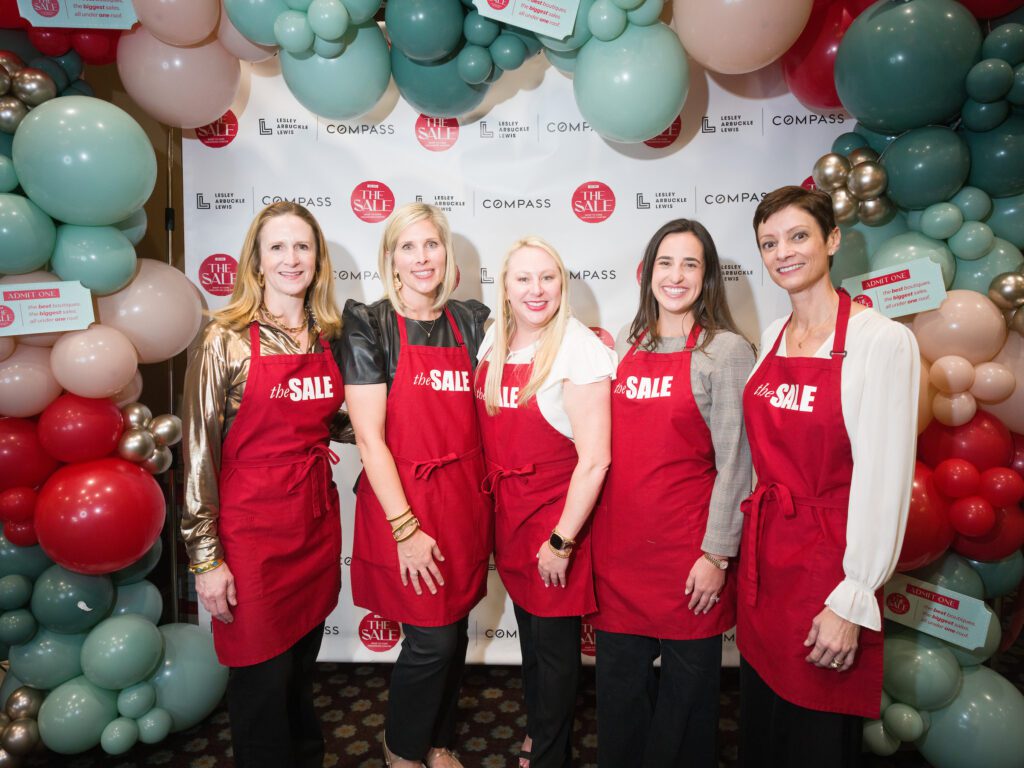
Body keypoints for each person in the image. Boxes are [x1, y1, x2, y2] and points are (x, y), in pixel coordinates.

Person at [739, 186, 919, 767]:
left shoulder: (881, 341)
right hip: (767, 559)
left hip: (829, 569)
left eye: (799, 236)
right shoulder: (772, 335)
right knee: (764, 726)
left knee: (813, 737)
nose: (783, 252)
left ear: (833, 240)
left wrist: (853, 598)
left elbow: (884, 481)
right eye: (770, 243)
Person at [181, 201, 346, 768]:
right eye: (277, 246)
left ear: (317, 259)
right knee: (261, 683)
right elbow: (198, 454)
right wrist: (206, 560)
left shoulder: (328, 336)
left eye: (302, 246)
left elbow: (334, 421)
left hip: (313, 526)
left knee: (299, 676)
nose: (290, 258)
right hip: (249, 536)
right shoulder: (223, 338)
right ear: (256, 260)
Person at [590, 219, 754, 768]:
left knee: (688, 703)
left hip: (690, 557)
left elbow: (737, 462)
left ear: (707, 276)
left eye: (690, 264)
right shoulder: (624, 342)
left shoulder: (726, 351)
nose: (676, 275)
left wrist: (716, 555)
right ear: (648, 272)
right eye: (665, 262)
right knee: (619, 697)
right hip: (621, 555)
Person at [338, 203, 491, 768]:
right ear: (391, 258)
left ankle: (438, 740)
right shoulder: (370, 323)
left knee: (454, 628)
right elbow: (369, 438)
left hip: (464, 499)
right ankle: (401, 747)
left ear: (446, 253)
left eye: (432, 244)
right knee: (432, 639)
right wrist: (406, 529)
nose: (422, 258)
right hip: (403, 500)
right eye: (408, 246)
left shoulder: (472, 320)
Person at [476, 237, 615, 768]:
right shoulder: (496, 340)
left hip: (556, 522)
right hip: (511, 517)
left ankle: (551, 754)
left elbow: (595, 460)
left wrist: (561, 541)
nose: (536, 290)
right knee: (532, 644)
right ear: (505, 288)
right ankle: (538, 733)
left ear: (562, 284)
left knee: (555, 655)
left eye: (547, 278)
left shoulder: (578, 348)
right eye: (523, 279)